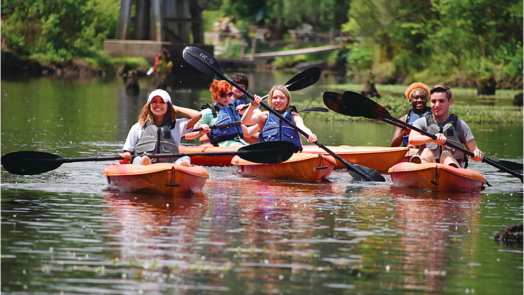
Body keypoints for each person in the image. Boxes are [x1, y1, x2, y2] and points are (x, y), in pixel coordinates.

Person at [408, 85, 484, 168]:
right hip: (428, 167)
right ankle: (421, 172)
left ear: (450, 102)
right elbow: (412, 139)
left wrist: (477, 153)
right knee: (426, 151)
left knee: (446, 154)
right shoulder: (421, 122)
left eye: (441, 101)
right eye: (433, 101)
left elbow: (474, 150)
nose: (437, 105)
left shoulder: (460, 125)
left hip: (451, 170)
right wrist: (432, 138)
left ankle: (450, 168)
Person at [119, 89, 202, 165]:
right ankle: (145, 164)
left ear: (168, 106)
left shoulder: (177, 125)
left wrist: (174, 108)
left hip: (169, 167)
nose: (158, 105)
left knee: (185, 158)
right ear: (149, 105)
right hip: (142, 168)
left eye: (162, 102)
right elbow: (128, 152)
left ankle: (181, 169)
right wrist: (126, 155)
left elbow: (197, 115)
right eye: (154, 101)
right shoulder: (138, 127)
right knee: (138, 159)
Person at [241, 85, 317, 152]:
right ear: (271, 100)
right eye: (275, 98)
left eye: (282, 98)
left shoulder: (294, 117)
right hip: (268, 155)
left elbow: (303, 129)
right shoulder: (264, 116)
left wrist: (310, 135)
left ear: (287, 101)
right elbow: (245, 121)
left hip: (291, 155)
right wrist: (252, 105)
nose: (278, 100)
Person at [185, 80, 258, 147]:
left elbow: (247, 133)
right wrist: (200, 131)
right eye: (223, 95)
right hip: (224, 146)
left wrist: (261, 121)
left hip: (238, 143)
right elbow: (187, 135)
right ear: (215, 95)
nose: (227, 98)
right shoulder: (208, 112)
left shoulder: (231, 111)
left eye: (229, 94)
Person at [391, 82, 431, 147]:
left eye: (423, 98)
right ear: (410, 101)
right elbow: (393, 146)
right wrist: (404, 133)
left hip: (427, 151)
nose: (419, 100)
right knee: (411, 142)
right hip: (410, 150)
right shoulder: (404, 119)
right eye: (416, 98)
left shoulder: (434, 117)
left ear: (426, 100)